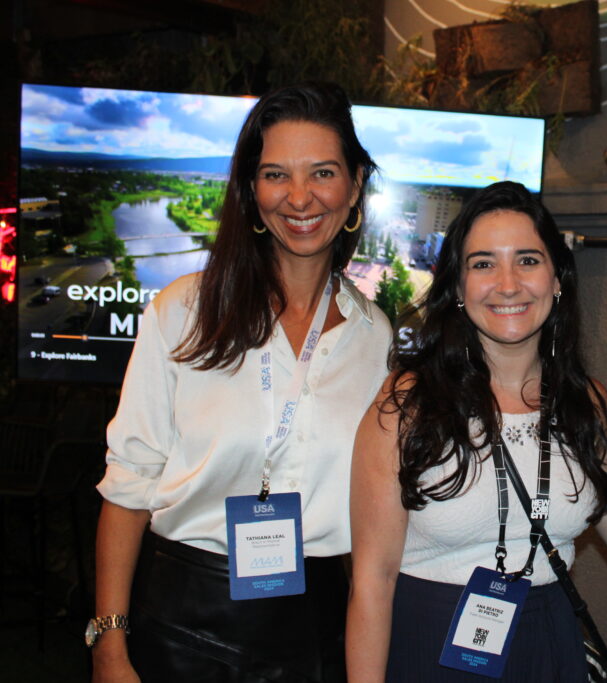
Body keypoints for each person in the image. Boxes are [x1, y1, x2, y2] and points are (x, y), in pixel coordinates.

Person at [91, 82, 391, 682]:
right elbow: (128, 485)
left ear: (355, 186)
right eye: (276, 174)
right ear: (251, 192)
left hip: (318, 637)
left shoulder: (375, 338)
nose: (300, 197)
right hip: (184, 625)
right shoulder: (183, 312)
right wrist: (109, 644)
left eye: (323, 172)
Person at [347, 181, 607, 682]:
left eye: (527, 260)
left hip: (552, 648)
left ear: (557, 278)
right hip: (429, 647)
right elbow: (371, 581)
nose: (508, 283)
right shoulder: (408, 404)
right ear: (456, 286)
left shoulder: (589, 405)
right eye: (483, 264)